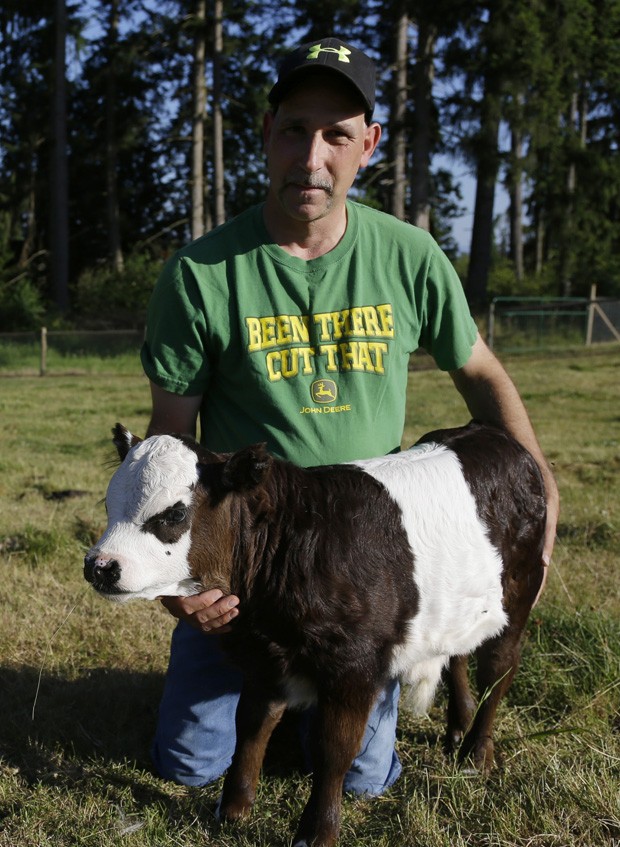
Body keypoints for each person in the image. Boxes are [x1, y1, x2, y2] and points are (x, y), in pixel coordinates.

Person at [140, 38, 559, 792]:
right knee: (188, 767)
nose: (312, 156)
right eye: (296, 129)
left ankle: (323, 706)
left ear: (367, 145)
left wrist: (539, 482)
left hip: (359, 561)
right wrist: (180, 579)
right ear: (267, 133)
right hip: (248, 554)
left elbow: (481, 373)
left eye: (337, 134)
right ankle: (258, 693)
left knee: (365, 779)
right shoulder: (201, 273)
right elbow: (170, 441)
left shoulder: (409, 256)